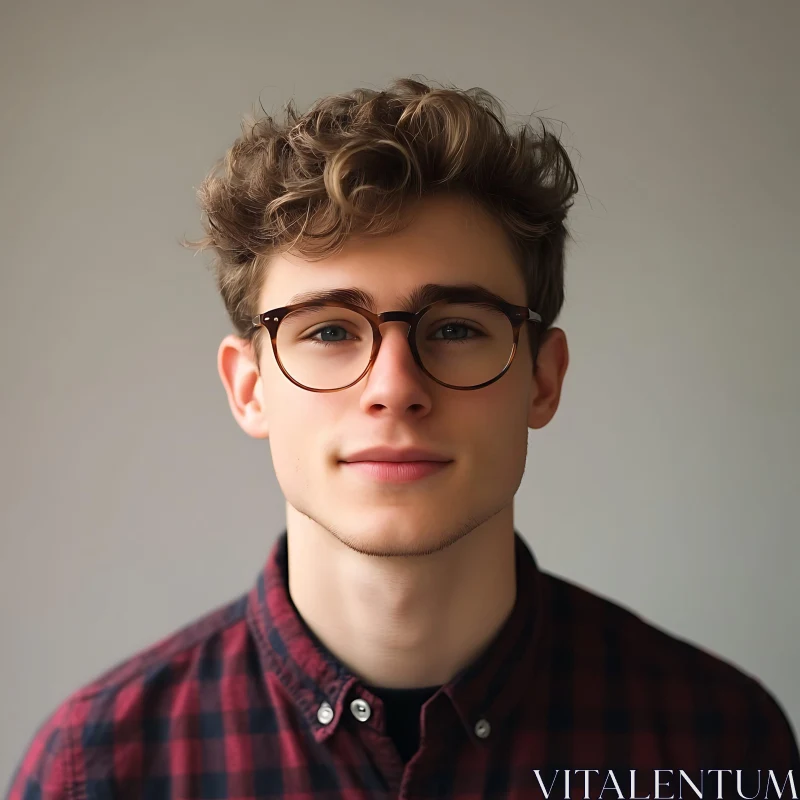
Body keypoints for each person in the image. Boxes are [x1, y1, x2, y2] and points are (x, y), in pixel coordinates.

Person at [7, 76, 798, 800]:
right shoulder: (97, 770)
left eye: (454, 327)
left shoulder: (719, 742)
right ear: (250, 388)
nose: (394, 388)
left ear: (542, 379)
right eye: (327, 331)